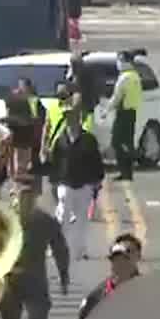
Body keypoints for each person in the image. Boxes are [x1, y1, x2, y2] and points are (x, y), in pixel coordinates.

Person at [1, 181, 70, 319]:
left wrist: (64, 275)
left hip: (36, 280)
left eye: (29, 197)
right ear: (13, 196)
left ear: (35, 198)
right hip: (9, 281)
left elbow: (60, 249)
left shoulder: (45, 221)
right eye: (20, 196)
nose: (24, 200)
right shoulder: (4, 220)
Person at [49, 104, 104, 261]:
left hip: (84, 184)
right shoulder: (61, 141)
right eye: (67, 118)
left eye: (73, 118)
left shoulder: (89, 140)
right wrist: (54, 181)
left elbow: (96, 161)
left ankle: (79, 250)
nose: (70, 121)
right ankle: (58, 248)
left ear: (79, 120)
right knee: (62, 218)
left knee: (82, 220)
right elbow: (55, 163)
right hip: (65, 183)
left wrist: (98, 179)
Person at [79, 236, 143, 319]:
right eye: (116, 259)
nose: (120, 263)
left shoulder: (148, 291)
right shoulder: (96, 297)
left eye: (127, 257)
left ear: (138, 257)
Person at [110, 54, 143, 182]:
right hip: (132, 112)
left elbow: (117, 97)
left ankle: (125, 170)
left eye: (120, 61)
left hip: (123, 113)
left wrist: (106, 110)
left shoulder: (124, 78)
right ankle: (128, 172)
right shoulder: (135, 76)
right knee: (127, 142)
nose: (118, 64)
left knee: (117, 142)